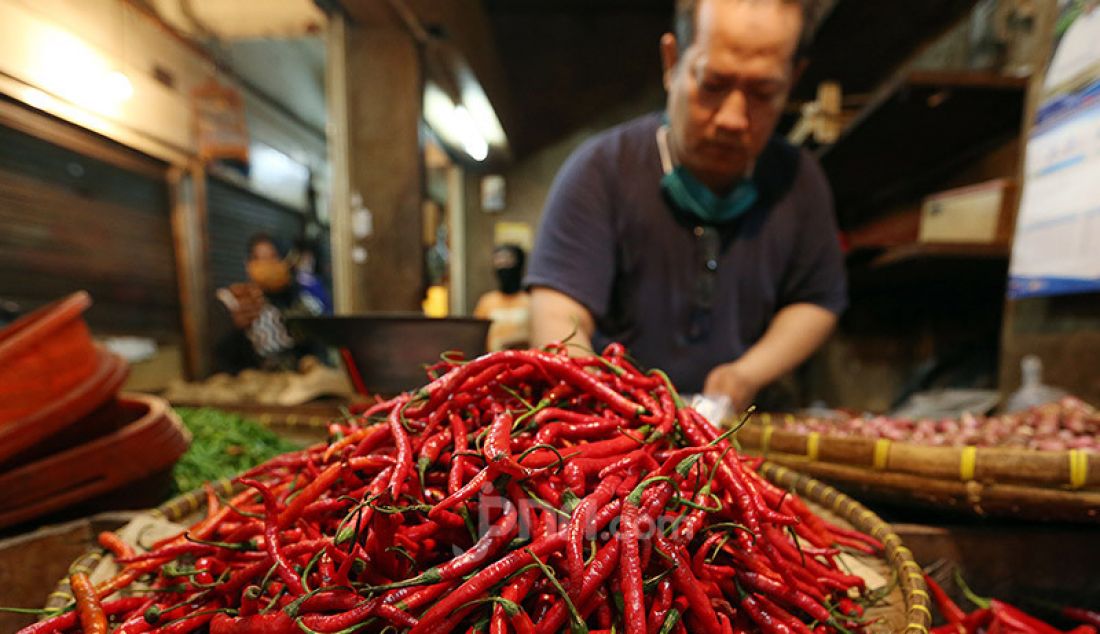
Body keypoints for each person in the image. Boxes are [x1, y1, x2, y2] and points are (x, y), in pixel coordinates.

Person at [526, 0, 847, 412]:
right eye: (712, 84)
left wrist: (746, 374)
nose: (733, 118)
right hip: (615, 425)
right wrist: (597, 396)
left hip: (741, 429)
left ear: (793, 79)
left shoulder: (800, 183)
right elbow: (557, 312)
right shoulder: (599, 172)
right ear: (672, 61)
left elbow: (817, 300)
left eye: (763, 93)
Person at [212, 233, 325, 374]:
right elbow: (224, 360)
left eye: (272, 257)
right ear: (247, 264)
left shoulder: (306, 304)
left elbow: (319, 354)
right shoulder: (237, 303)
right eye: (257, 258)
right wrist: (236, 329)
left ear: (287, 261)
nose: (264, 265)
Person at [474, 244, 532, 351]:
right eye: (499, 262)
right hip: (493, 363)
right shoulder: (487, 302)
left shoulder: (531, 302)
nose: (503, 267)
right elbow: (477, 339)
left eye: (508, 261)